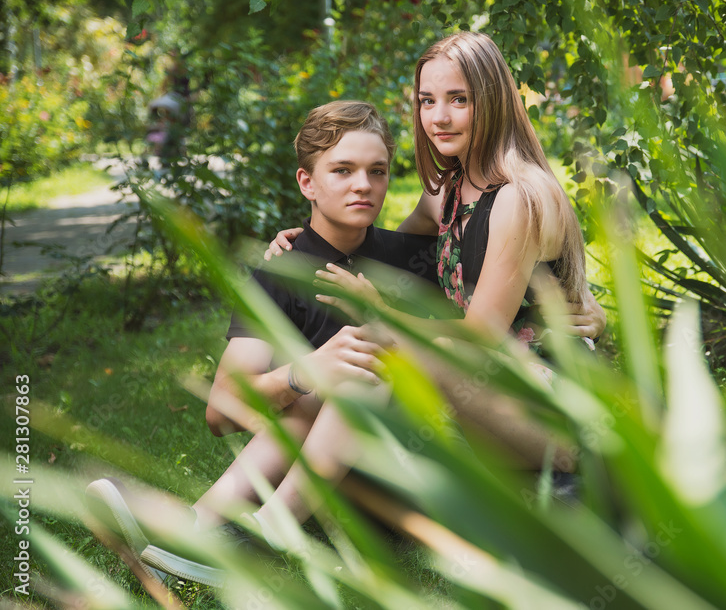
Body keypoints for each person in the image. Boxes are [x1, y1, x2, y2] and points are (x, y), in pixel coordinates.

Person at [86, 100, 437, 586]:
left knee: (361, 365)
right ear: (307, 182)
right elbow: (221, 412)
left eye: (377, 171)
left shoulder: (416, 258)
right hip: (336, 489)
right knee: (312, 392)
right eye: (343, 170)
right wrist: (306, 372)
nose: (363, 185)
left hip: (414, 478)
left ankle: (212, 530)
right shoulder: (278, 273)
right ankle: (198, 533)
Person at [269, 31, 604, 474]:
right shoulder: (445, 193)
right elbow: (381, 251)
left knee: (394, 350)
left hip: (551, 409)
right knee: (352, 373)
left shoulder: (519, 197)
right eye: (427, 101)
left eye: (459, 99)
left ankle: (276, 509)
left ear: (493, 101)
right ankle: (237, 506)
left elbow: (482, 332)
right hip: (484, 386)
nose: (439, 117)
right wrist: (306, 241)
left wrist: (382, 314)